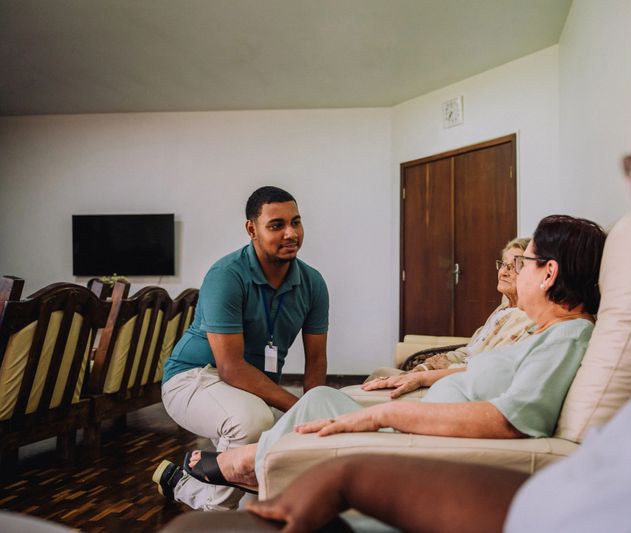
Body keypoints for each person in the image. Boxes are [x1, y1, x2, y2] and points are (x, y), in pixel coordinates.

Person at [239, 1, 631, 531]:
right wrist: (350, 470)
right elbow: (572, 492)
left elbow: (548, 487)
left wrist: (373, 430)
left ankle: (237, 469)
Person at [173, 214, 606, 497]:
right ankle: (253, 466)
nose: (513, 271)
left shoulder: (567, 338)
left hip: (426, 447)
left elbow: (508, 423)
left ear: (549, 273)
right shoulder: (544, 333)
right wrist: (415, 385)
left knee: (323, 409)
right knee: (318, 400)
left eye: (524, 262)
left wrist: (382, 416)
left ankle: (246, 464)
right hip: (420, 433)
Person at [153, 186, 329, 511]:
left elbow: (316, 362)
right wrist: (299, 409)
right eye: (277, 225)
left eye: (296, 222)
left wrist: (315, 412)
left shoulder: (313, 283)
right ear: (252, 229)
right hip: (193, 378)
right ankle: (215, 519)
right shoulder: (226, 276)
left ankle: (188, 485)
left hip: (250, 388)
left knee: (289, 439)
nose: (291, 233)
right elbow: (230, 367)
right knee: (252, 423)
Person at [362, 237, 535, 399]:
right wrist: (424, 367)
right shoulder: (503, 309)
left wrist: (425, 376)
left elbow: (488, 370)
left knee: (378, 382)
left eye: (513, 267)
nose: (504, 272)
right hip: (450, 375)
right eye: (503, 265)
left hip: (463, 386)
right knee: (379, 374)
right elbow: (469, 350)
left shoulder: (529, 317)